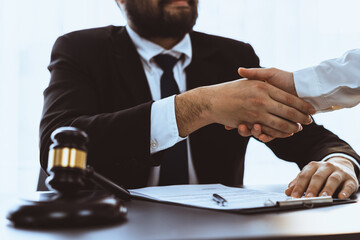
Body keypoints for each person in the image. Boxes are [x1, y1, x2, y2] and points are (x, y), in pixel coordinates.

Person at [40, 0, 359, 200]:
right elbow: (57, 144)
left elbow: (311, 138)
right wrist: (197, 107)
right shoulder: (81, 48)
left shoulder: (233, 56)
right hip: (108, 228)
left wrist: (339, 164)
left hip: (214, 230)